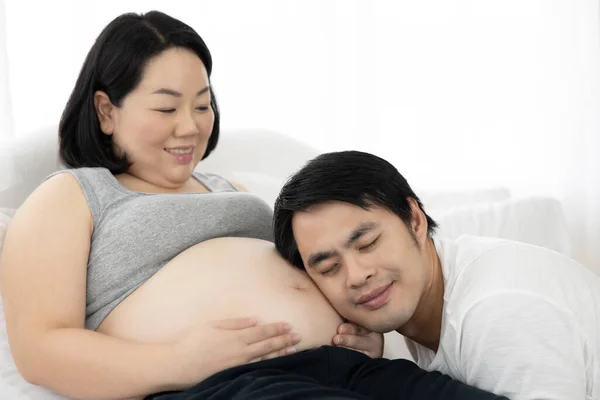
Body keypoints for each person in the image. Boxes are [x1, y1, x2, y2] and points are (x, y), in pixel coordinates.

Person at [0, 10, 508, 400]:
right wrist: (179, 361)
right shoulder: (73, 195)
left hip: (348, 369)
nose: (191, 126)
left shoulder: (231, 188)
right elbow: (41, 348)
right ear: (107, 110)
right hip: (227, 386)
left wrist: (361, 335)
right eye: (166, 106)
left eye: (203, 104)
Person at [272, 149, 600, 400]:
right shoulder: (410, 316)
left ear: (415, 220)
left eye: (368, 243)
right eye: (329, 268)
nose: (356, 276)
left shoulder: (497, 309)